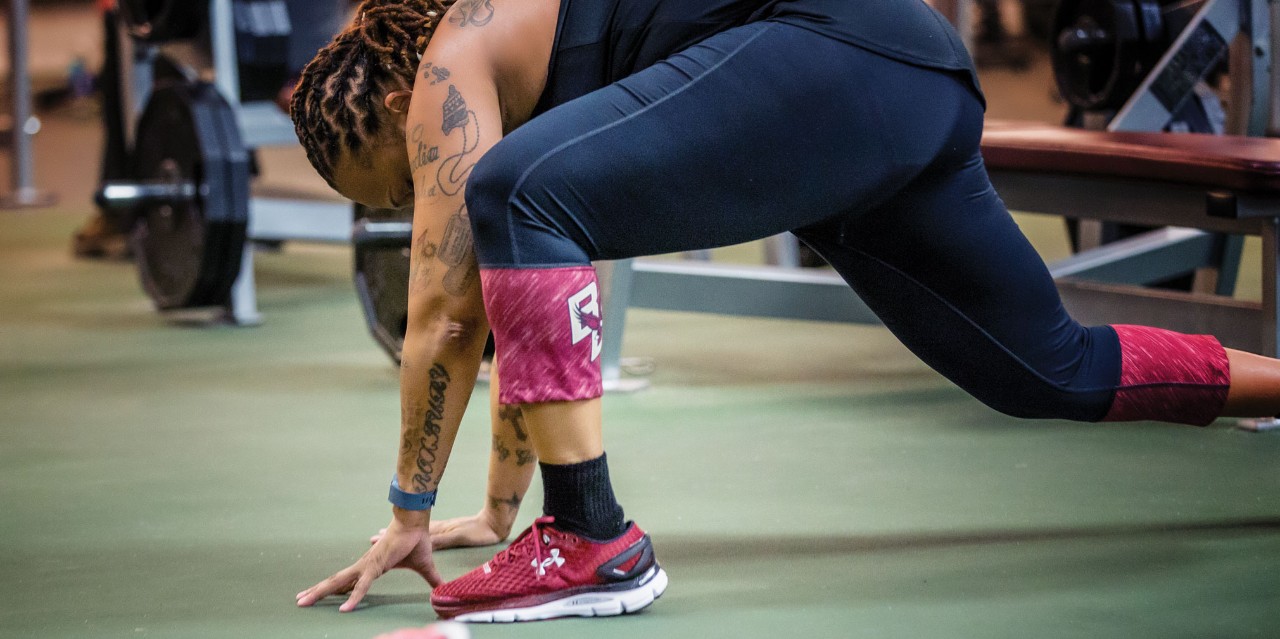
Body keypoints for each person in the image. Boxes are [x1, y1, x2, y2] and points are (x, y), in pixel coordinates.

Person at [289, 0, 1280, 623]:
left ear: (382, 107)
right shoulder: (516, 97)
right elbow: (512, 314)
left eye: (390, 189)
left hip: (833, 52)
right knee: (1042, 369)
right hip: (897, 85)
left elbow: (446, 318)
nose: (411, 207)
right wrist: (496, 509)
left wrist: (405, 513)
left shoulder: (442, 71)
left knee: (508, 192)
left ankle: (590, 539)